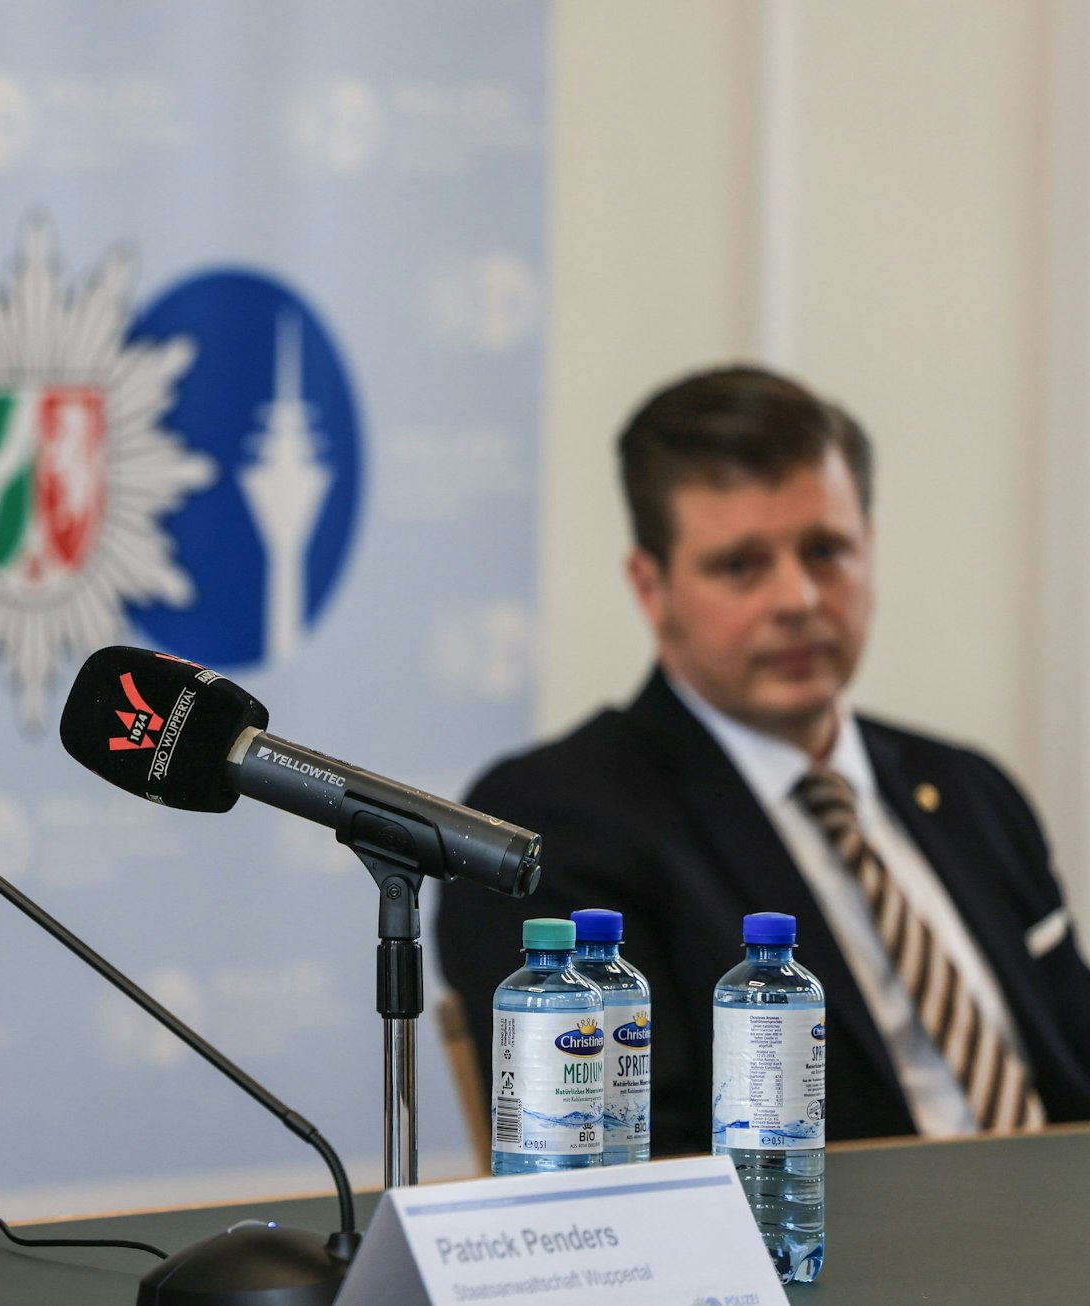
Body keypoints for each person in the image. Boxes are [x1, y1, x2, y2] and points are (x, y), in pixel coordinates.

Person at [435, 365, 1090, 1157]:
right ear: (651, 587)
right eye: (741, 565)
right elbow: (632, 1169)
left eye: (826, 551)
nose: (799, 600)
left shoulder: (971, 792)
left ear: (870, 548)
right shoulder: (553, 823)